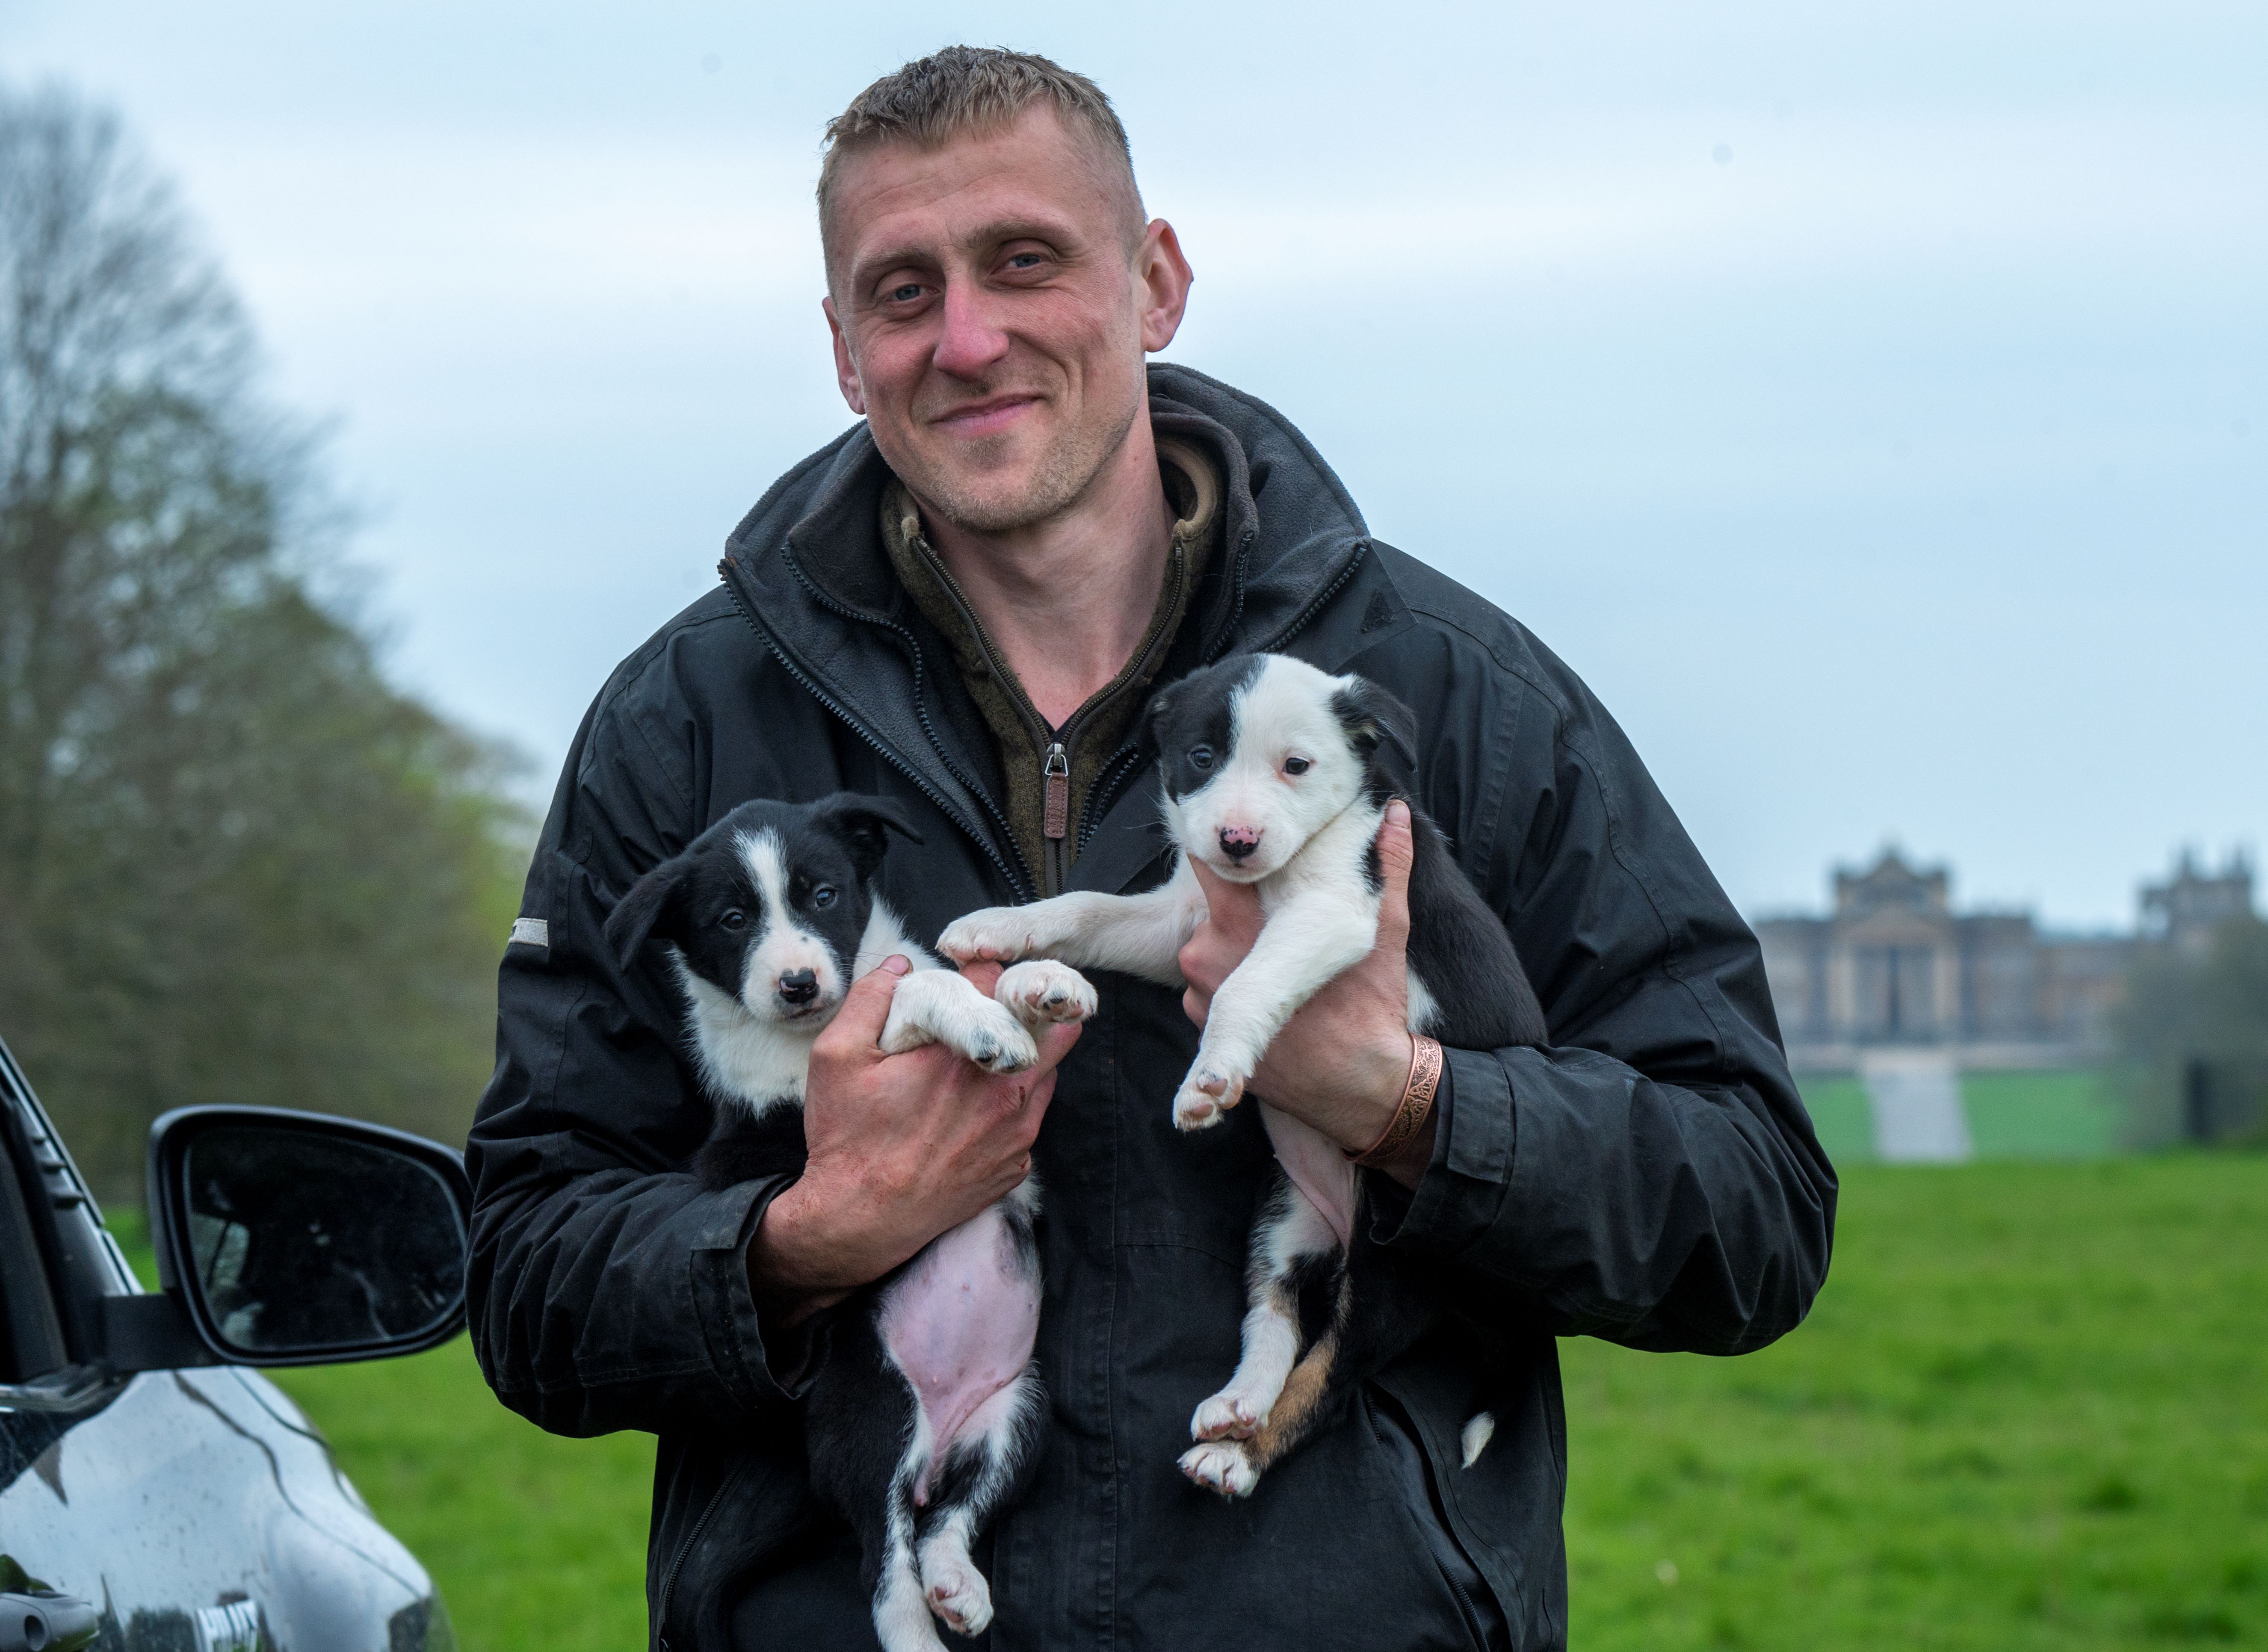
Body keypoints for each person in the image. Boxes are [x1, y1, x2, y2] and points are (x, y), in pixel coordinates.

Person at [467, 46, 1836, 1652]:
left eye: (1024, 261)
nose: (967, 338)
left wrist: (1406, 1104)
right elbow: (525, 1278)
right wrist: (804, 1237)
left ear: (1158, 282)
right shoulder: (683, 727)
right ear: (843, 352)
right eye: (901, 292)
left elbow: (1752, 1216)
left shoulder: (1449, 700)